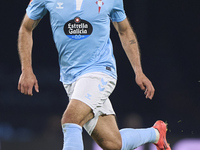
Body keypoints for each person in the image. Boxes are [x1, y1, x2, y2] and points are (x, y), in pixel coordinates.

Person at [17, 0, 171, 150]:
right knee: (113, 143)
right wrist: (26, 69)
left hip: (101, 71)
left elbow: (124, 30)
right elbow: (26, 28)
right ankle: (156, 133)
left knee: (70, 120)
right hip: (70, 78)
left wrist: (138, 70)